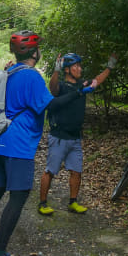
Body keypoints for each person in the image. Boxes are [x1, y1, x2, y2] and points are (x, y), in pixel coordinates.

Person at [0, 30, 84, 256]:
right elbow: (50, 104)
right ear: (34, 52)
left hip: (0, 140)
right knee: (19, 196)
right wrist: (76, 93)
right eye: (38, 48)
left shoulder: (10, 70)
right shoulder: (32, 76)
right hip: (19, 144)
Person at [38, 51, 117, 216]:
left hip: (75, 137)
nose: (80, 69)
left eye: (80, 66)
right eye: (76, 66)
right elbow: (52, 88)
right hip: (59, 136)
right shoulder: (61, 86)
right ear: (67, 69)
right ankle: (42, 203)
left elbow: (96, 81)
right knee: (50, 171)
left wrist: (109, 67)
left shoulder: (82, 84)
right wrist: (56, 70)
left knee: (76, 171)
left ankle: (73, 202)